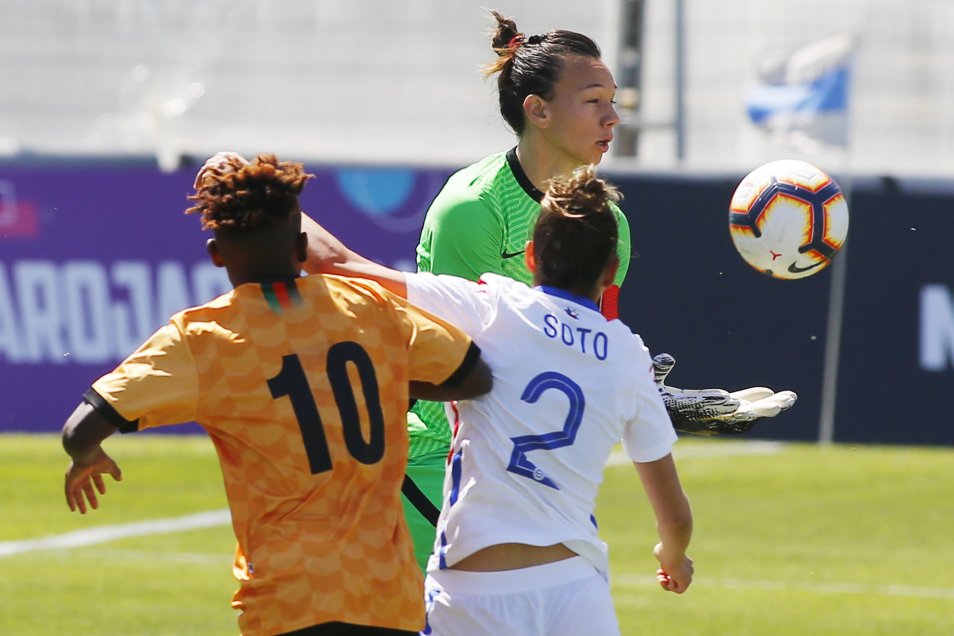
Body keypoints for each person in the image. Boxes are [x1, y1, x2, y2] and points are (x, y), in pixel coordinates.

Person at [304, 9, 795, 571]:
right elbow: (466, 368)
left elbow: (581, 340)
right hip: (439, 463)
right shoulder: (474, 207)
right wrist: (648, 405)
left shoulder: (607, 218)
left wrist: (653, 400)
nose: (613, 118)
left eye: (614, 100)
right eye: (594, 101)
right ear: (537, 110)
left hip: (530, 475)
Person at [61, 153, 493, 636]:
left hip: (286, 602)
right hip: (384, 595)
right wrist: (385, 377)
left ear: (216, 254)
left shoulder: (203, 339)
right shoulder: (367, 308)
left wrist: (87, 456)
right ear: (302, 244)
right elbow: (474, 377)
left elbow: (81, 427)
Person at [306, 165, 693, 635]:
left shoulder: (493, 308)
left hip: (473, 591)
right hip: (574, 591)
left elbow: (339, 265)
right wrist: (672, 557)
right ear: (611, 271)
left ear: (530, 256)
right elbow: (675, 517)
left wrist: (262, 193)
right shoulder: (628, 353)